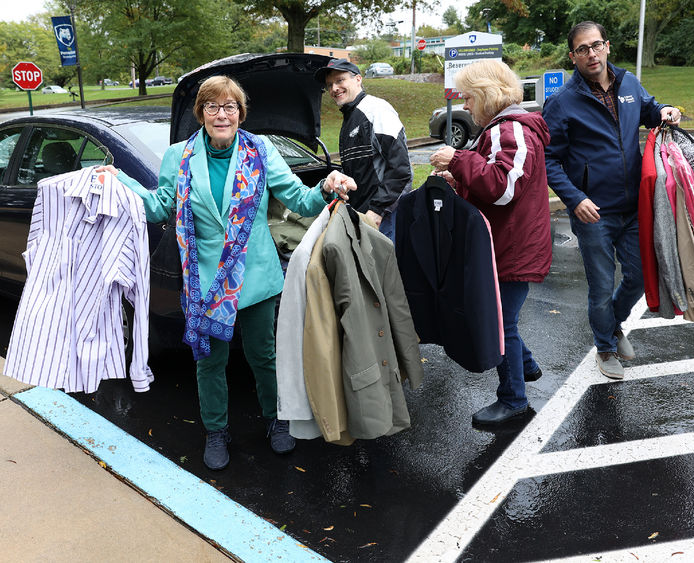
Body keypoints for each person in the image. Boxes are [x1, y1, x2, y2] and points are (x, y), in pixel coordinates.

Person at [98, 75, 356, 470]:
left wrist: (326, 185)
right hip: (204, 280)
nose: (222, 114)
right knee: (209, 362)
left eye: (230, 107)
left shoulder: (260, 150)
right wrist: (122, 182)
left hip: (255, 276)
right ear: (201, 113)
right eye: (213, 107)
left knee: (262, 356)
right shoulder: (179, 157)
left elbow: (299, 201)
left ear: (241, 113)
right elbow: (159, 207)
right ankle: (216, 430)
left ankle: (276, 420)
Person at [543, 21, 681, 380]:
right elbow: (548, 160)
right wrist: (574, 199)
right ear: (573, 56)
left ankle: (613, 325)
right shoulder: (561, 103)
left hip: (634, 206)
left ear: (607, 46)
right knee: (601, 286)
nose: (591, 53)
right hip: (593, 212)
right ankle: (604, 348)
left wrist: (666, 109)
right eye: (582, 49)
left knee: (637, 277)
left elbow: (650, 110)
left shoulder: (629, 84)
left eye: (596, 45)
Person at [429, 60, 551, 426]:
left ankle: (513, 399)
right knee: (504, 319)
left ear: (486, 94)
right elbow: (500, 183)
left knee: (502, 325)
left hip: (508, 247)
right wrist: (459, 177)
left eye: (468, 97)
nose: (465, 106)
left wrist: (458, 158)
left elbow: (502, 188)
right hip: (513, 243)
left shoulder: (508, 129)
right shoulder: (509, 128)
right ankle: (526, 368)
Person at [314, 58, 412, 240]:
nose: (334, 88)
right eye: (329, 85)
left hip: (384, 217)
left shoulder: (377, 110)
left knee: (384, 268)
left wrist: (377, 210)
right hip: (362, 215)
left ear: (358, 79)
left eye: (340, 80)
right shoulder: (351, 115)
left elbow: (401, 169)